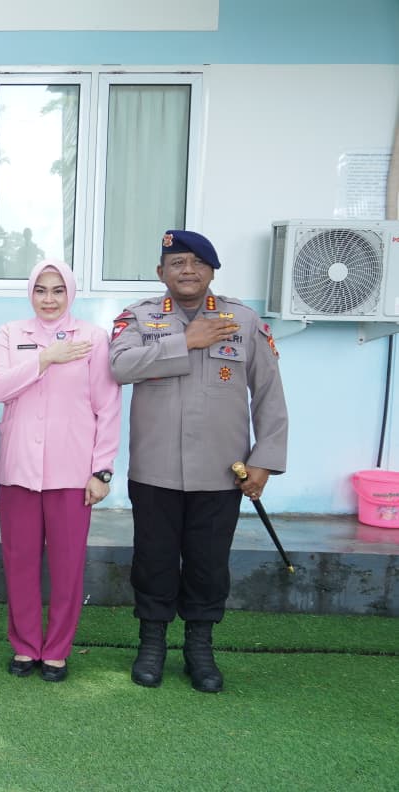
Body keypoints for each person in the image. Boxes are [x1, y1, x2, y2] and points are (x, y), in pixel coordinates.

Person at [110, 230, 287, 693]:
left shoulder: (243, 320)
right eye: (177, 262)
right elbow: (120, 367)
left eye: (197, 262)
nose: (187, 270)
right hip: (155, 468)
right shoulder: (139, 317)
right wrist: (185, 341)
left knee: (209, 564)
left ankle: (200, 649)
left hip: (222, 470)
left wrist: (265, 459)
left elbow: (269, 393)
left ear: (211, 270)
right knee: (153, 560)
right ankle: (151, 645)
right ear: (161, 272)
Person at [0, 260, 121, 683]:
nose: (49, 299)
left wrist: (102, 470)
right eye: (41, 290)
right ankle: (26, 645)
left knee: (67, 566)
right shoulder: (10, 334)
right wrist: (45, 359)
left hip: (72, 472)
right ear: (30, 292)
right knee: (20, 562)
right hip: (19, 470)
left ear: (71, 293)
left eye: (58, 290)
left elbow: (108, 406)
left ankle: (57, 650)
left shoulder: (93, 338)